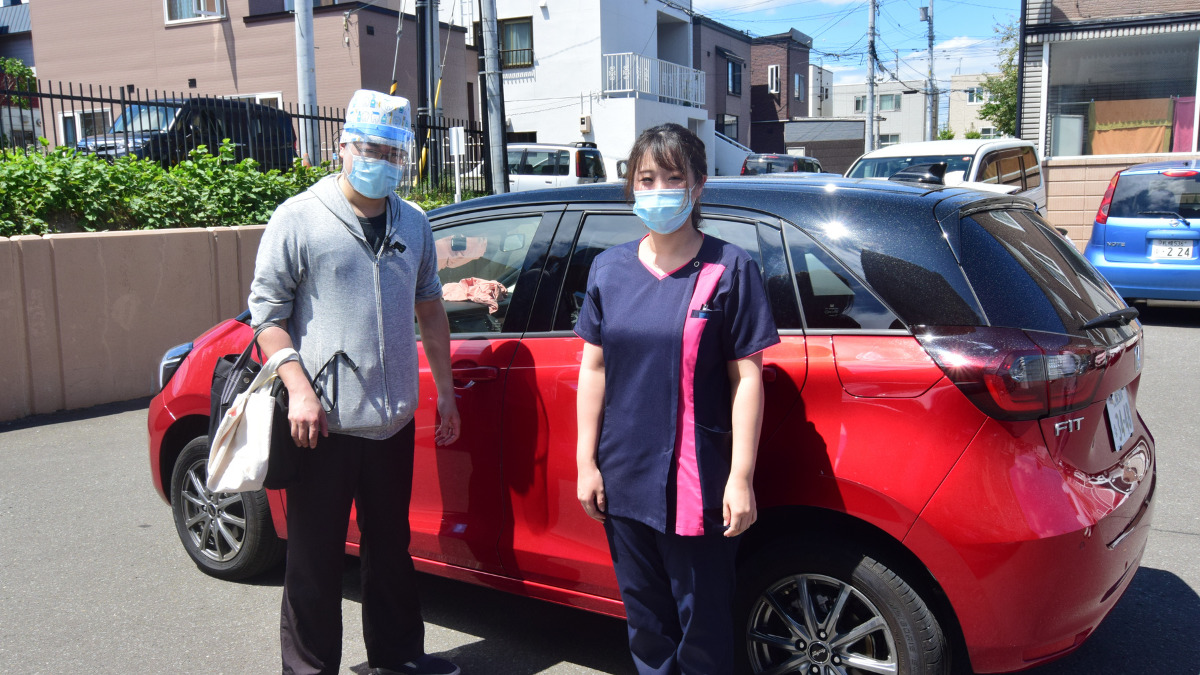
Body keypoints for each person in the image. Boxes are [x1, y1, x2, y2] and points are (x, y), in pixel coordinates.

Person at [249, 89, 461, 675]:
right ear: (342, 146)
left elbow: (431, 310)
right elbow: (266, 315)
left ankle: (397, 658)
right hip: (322, 423)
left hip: (392, 421)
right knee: (314, 559)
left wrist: (445, 392)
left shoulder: (413, 221)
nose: (380, 161)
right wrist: (298, 388)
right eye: (369, 148)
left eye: (392, 152)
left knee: (391, 549)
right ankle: (309, 669)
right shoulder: (299, 218)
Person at [574, 123, 780, 674]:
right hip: (624, 475)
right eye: (646, 179)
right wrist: (586, 463)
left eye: (672, 177)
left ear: (698, 186)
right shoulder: (609, 268)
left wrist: (740, 477)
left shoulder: (729, 268)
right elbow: (594, 367)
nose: (658, 190)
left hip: (698, 480)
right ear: (631, 186)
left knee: (703, 627)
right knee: (646, 625)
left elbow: (747, 380)